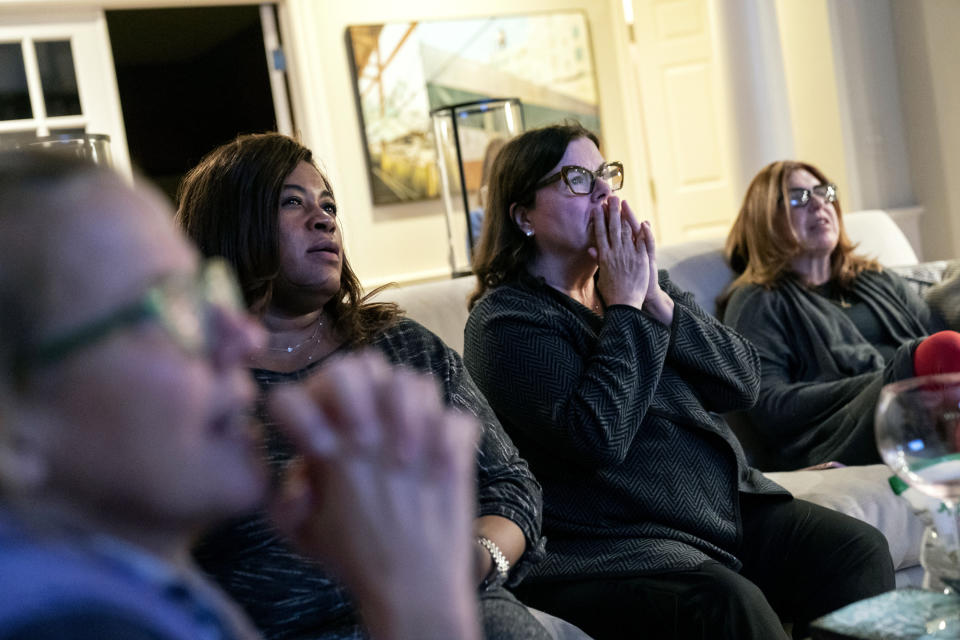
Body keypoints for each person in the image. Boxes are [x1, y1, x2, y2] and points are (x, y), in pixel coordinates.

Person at [0, 150, 482, 640]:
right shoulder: (69, 623)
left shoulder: (140, 586)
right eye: (167, 305)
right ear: (12, 428)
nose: (244, 338)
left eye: (204, 292)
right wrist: (415, 592)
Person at [463, 123, 896, 640]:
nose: (603, 189)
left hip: (722, 511)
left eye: (605, 174)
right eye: (576, 178)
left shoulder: (645, 282)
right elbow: (598, 435)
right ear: (523, 216)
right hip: (622, 541)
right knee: (729, 603)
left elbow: (743, 381)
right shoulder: (506, 322)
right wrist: (625, 305)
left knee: (857, 551)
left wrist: (656, 302)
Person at [175, 133, 565, 640]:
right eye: (292, 202)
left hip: (458, 614)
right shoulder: (192, 387)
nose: (324, 218)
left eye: (328, 204)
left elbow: (511, 487)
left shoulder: (402, 349)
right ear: (231, 224)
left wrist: (472, 562)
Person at [720, 160, 960, 471]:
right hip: (836, 433)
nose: (819, 203)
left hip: (923, 407)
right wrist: (889, 383)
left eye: (825, 193)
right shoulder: (757, 299)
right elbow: (769, 405)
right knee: (941, 350)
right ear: (765, 220)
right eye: (799, 198)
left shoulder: (877, 279)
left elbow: (937, 343)